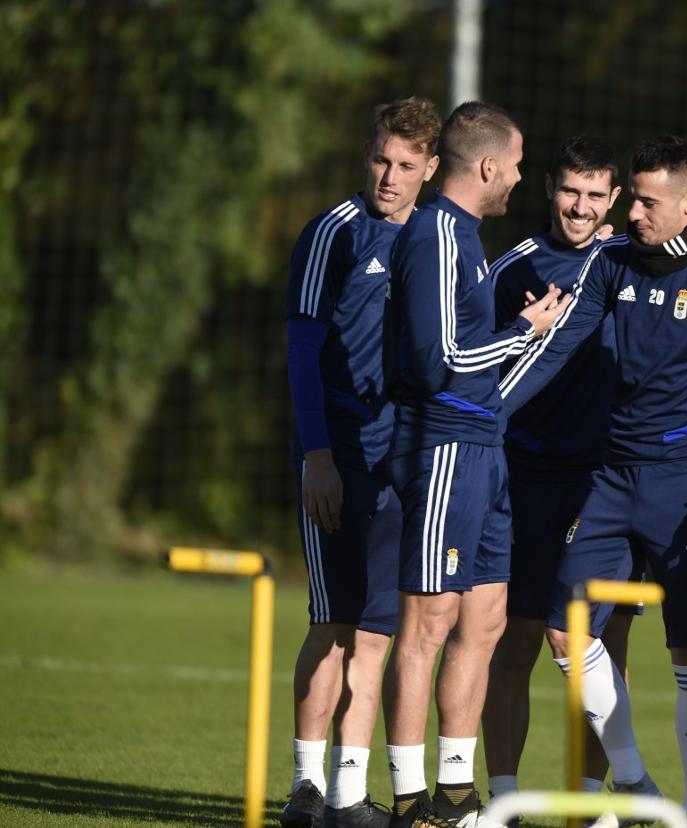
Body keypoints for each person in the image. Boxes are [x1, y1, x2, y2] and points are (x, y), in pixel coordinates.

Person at [499, 135, 687, 828]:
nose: (629, 212)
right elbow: (557, 350)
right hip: (609, 477)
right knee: (567, 631)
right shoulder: (608, 264)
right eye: (631, 197)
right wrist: (481, 412)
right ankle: (634, 783)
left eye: (645, 200)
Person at [384, 101, 570, 828]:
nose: (521, 178)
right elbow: (441, 362)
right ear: (489, 166)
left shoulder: (469, 239)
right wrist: (525, 331)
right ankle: (408, 798)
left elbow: (468, 350)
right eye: (519, 164)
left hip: (487, 450)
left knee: (484, 623)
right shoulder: (435, 231)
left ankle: (457, 793)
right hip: (447, 448)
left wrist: (520, 328)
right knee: (427, 625)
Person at [281, 96, 442, 828]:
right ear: (366, 152)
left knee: (376, 633)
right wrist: (318, 453)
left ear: (431, 169)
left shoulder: (437, 243)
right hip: (336, 455)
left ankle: (349, 797)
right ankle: (305, 789)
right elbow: (303, 350)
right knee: (331, 622)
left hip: (403, 466)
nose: (389, 174)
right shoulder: (333, 233)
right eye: (382, 157)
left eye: (407, 164)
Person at [482, 135, 636, 806]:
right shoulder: (513, 268)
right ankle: (505, 798)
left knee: (599, 647)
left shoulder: (633, 264)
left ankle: (592, 803)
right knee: (511, 645)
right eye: (571, 190)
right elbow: (479, 366)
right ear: (549, 187)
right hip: (526, 477)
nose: (581, 206)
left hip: (608, 483)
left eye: (596, 194)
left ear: (616, 200)